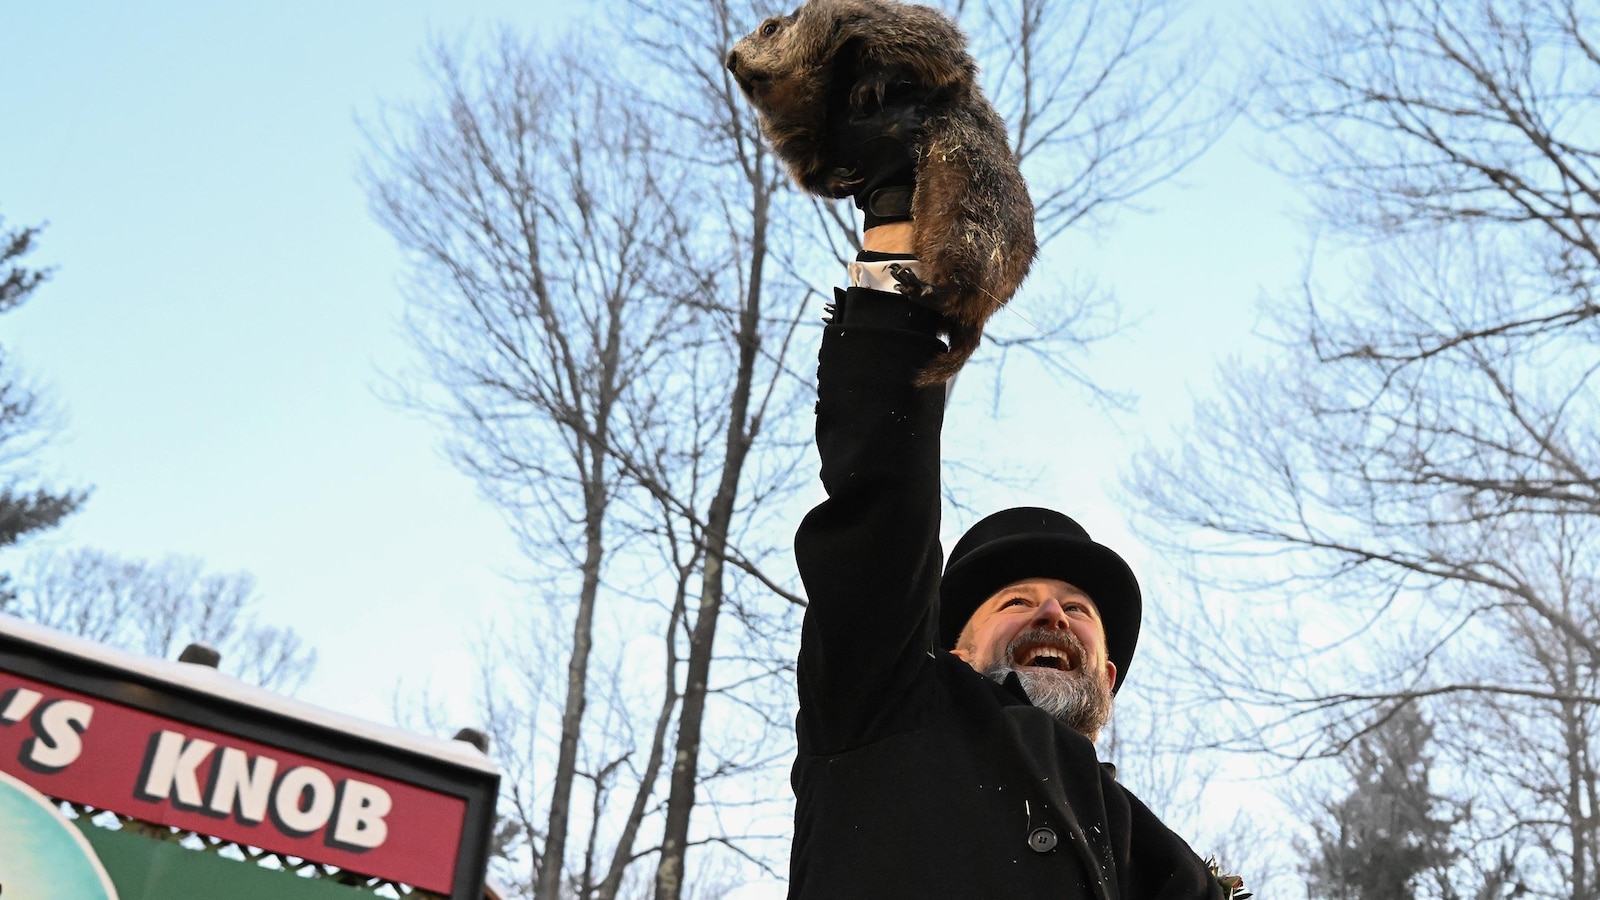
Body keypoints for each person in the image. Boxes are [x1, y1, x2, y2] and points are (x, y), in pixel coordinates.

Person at [787, 99, 1227, 899]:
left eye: (1076, 610)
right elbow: (879, 518)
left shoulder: (1167, 872)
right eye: (1016, 599)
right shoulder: (884, 715)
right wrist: (899, 246)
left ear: (1110, 675)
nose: (1052, 615)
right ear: (953, 650)